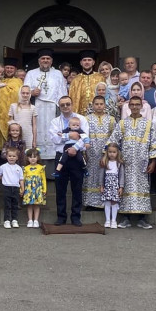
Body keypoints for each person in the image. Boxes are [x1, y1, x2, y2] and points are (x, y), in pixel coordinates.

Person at [110, 95, 156, 229]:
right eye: (132, 104)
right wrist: (115, 158)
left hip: (142, 163)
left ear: (141, 106)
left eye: (138, 104)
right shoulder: (122, 123)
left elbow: (154, 143)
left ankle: (142, 218)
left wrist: (153, 162)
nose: (135, 107)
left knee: (142, 188)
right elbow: (114, 141)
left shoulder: (148, 124)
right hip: (126, 162)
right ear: (129, 106)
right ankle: (125, 218)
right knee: (124, 187)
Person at [49, 96, 90, 226]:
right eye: (62, 105)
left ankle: (76, 217)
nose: (66, 107)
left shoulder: (81, 119)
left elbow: (85, 137)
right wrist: (70, 136)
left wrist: (74, 147)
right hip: (61, 156)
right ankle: (61, 216)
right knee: (60, 188)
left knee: (77, 188)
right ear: (59, 107)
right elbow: (54, 139)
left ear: (72, 104)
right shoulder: (55, 122)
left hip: (76, 157)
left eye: (68, 104)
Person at [23, 49, 67, 159]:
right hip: (37, 106)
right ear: (39, 61)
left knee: (53, 132)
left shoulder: (58, 74)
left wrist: (62, 108)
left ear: (51, 61)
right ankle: (36, 159)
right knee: (37, 132)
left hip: (53, 107)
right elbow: (24, 91)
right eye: (43, 58)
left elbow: (62, 92)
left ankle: (53, 161)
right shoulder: (31, 73)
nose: (45, 60)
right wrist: (32, 93)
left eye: (48, 59)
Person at [84, 95, 117, 210]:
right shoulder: (87, 119)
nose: (99, 106)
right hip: (91, 152)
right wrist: (84, 152)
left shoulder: (111, 119)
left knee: (104, 176)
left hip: (106, 153)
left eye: (101, 104)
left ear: (105, 105)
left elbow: (114, 136)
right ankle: (90, 203)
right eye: (96, 104)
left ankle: (104, 202)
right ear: (93, 105)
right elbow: (84, 135)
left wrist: (107, 151)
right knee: (91, 176)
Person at [0, 59, 22, 148]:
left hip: (13, 115)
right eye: (7, 68)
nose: (9, 70)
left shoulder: (18, 82)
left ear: (15, 70)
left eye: (11, 68)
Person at [69, 51, 104, 116]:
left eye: (89, 60)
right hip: (80, 114)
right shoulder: (76, 79)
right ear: (81, 63)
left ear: (93, 62)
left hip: (97, 112)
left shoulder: (100, 77)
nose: (87, 62)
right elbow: (72, 97)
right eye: (84, 60)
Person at [100, 143, 125, 229]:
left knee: (114, 202)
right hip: (107, 185)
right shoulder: (105, 162)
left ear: (117, 153)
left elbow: (121, 176)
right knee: (107, 202)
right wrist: (101, 185)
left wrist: (121, 187)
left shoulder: (119, 163)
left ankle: (113, 220)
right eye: (110, 152)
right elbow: (102, 175)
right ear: (107, 152)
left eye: (114, 152)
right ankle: (107, 220)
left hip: (115, 186)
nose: (112, 154)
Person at [0, 147, 24, 228]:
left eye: (13, 156)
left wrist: (22, 188)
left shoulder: (19, 168)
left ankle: (14, 220)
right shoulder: (3, 167)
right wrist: (4, 180)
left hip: (15, 187)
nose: (11, 158)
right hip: (7, 187)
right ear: (6, 157)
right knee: (7, 205)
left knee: (15, 204)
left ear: (17, 157)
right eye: (10, 156)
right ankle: (7, 220)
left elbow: (21, 179)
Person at [21, 147, 47, 228]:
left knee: (36, 205)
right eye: (30, 157)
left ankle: (36, 220)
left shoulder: (41, 168)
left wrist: (44, 189)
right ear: (27, 158)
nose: (33, 159)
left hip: (38, 189)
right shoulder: (25, 168)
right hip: (28, 189)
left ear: (38, 158)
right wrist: (22, 189)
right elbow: (23, 179)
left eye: (34, 157)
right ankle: (30, 220)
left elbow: (43, 179)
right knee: (29, 205)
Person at [7, 85, 38, 152]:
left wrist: (34, 141)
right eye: (23, 93)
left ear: (30, 94)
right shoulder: (13, 106)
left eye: (27, 93)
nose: (25, 95)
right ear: (19, 93)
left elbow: (34, 125)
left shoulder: (33, 108)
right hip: (16, 136)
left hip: (28, 135)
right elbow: (10, 124)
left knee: (28, 155)